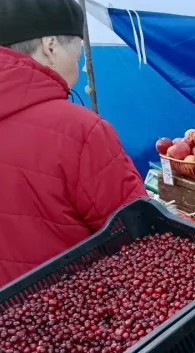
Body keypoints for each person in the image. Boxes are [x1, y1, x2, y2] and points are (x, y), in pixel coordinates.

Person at [0, 0, 147, 287]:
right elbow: (137, 231)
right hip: (70, 312)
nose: (78, 68)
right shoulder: (81, 130)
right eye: (78, 52)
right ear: (50, 45)